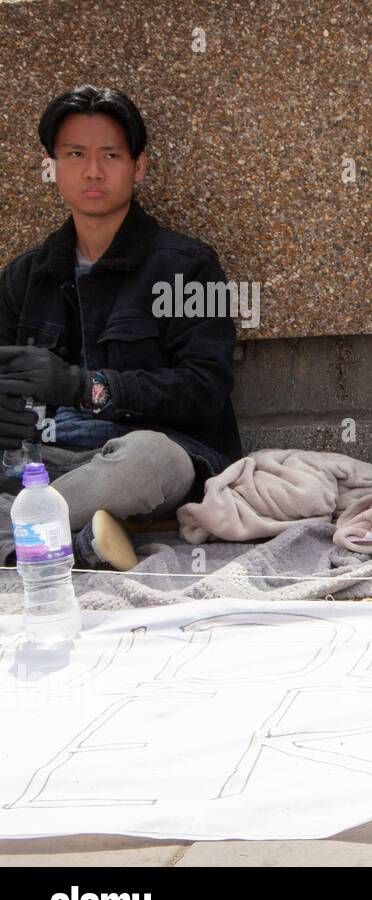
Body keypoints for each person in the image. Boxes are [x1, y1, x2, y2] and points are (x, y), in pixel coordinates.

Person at [0, 85, 241, 570]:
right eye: (75, 154)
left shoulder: (192, 266)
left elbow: (207, 386)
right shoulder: (22, 277)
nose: (93, 170)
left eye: (111, 154)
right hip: (37, 464)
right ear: (52, 166)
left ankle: (17, 537)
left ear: (139, 165)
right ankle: (83, 544)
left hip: (142, 462)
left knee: (151, 456)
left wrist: (85, 387)